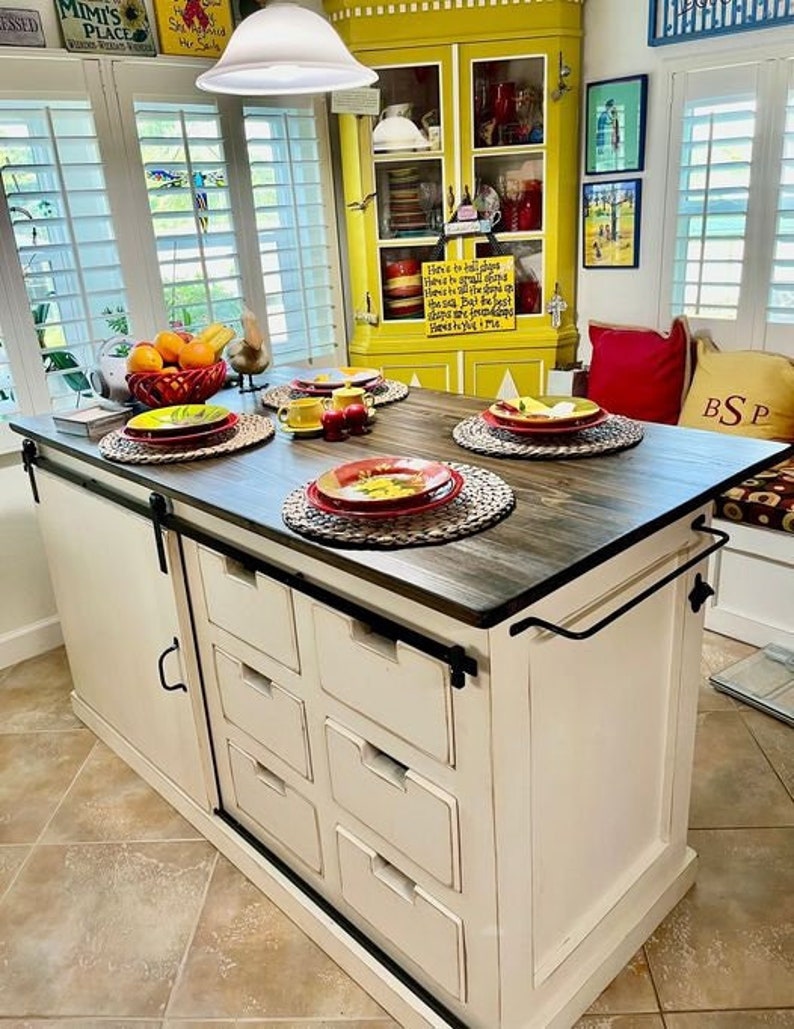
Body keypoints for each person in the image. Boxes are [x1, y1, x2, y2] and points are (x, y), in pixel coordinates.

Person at [595, 98, 620, 172]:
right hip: (605, 138)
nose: (612, 108)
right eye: (611, 106)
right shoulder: (604, 115)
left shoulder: (610, 115)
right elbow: (603, 127)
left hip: (610, 139)